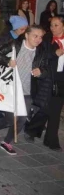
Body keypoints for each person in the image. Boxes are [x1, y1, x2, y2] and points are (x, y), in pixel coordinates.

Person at [0, 25, 46, 155]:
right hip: (10, 89)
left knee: (22, 119)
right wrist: (8, 61)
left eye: (41, 37)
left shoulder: (41, 51)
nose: (38, 39)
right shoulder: (16, 45)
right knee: (10, 119)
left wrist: (41, 71)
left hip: (26, 91)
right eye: (35, 36)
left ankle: (7, 142)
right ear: (26, 35)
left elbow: (45, 67)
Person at [29, 16, 64, 151]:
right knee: (44, 108)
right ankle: (32, 130)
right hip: (48, 77)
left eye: (56, 25)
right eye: (51, 25)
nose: (52, 28)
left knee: (55, 110)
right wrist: (55, 53)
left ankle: (51, 140)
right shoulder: (47, 40)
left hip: (61, 78)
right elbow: (42, 56)